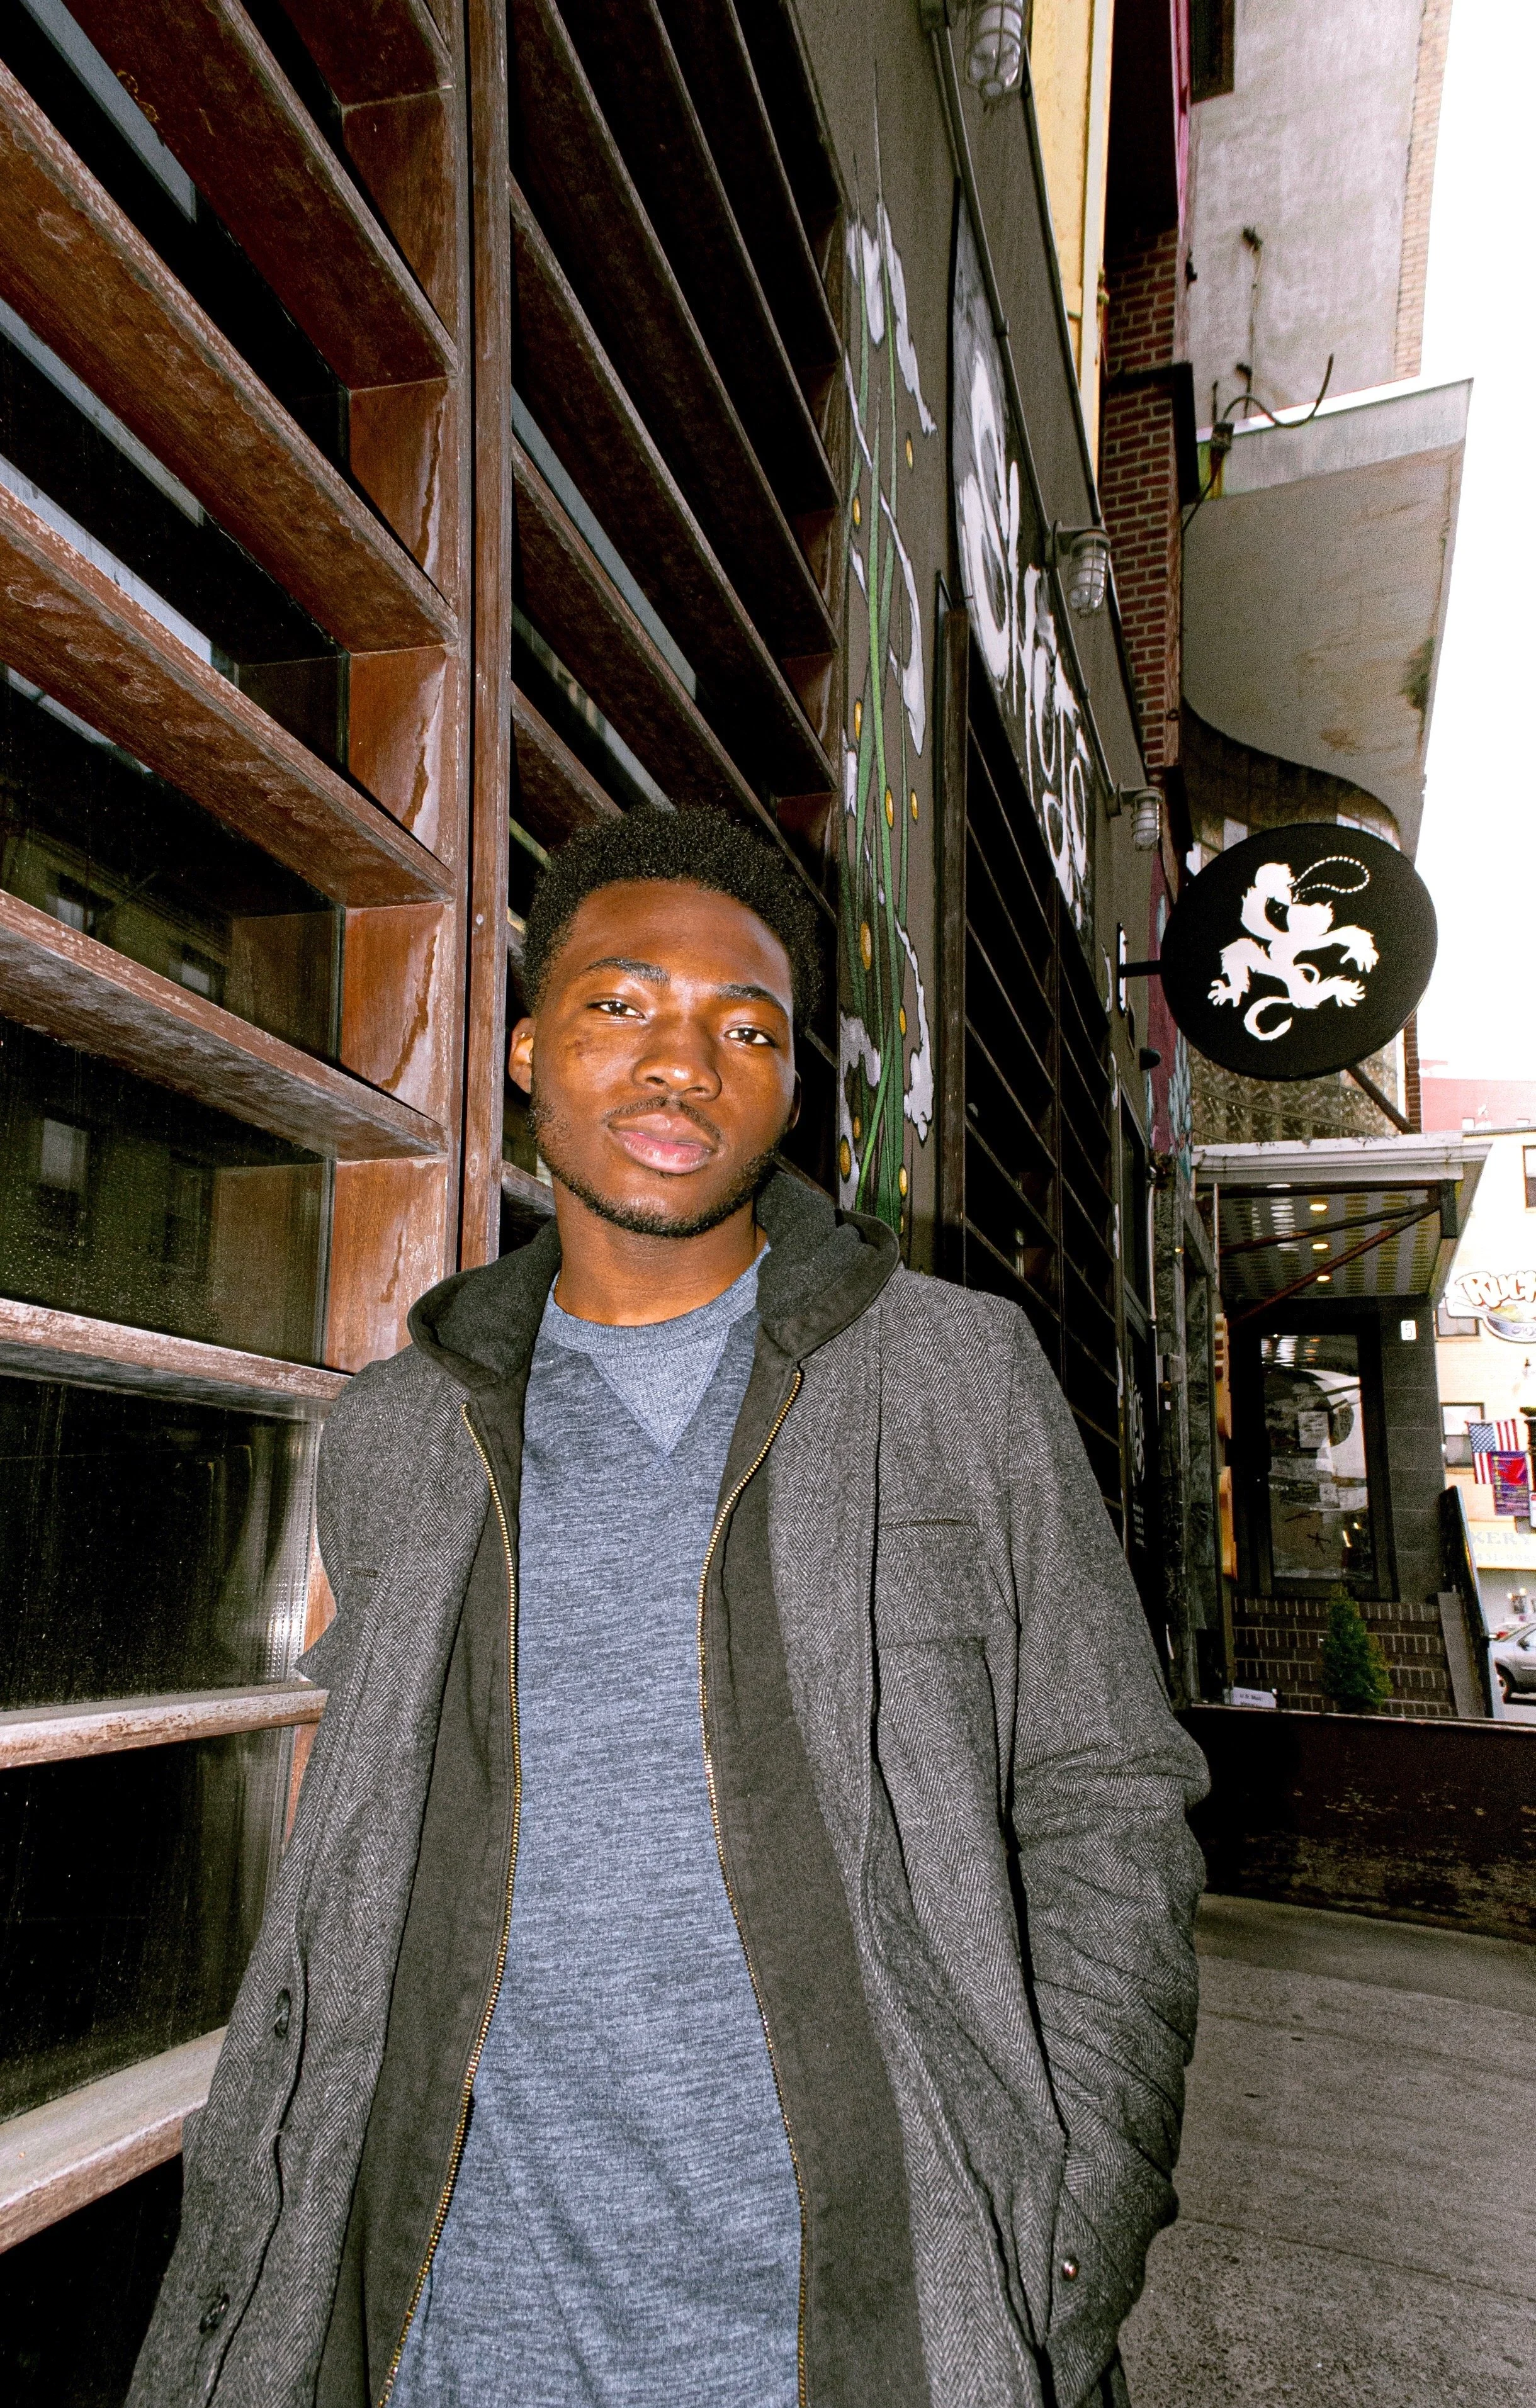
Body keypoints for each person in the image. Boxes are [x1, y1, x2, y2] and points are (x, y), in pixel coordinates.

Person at [132, 807, 1207, 2408]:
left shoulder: (953, 1375)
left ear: (787, 1085)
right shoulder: (398, 1430)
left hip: (873, 2315)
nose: (680, 1063)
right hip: (448, 2320)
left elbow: (1105, 1798)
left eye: (743, 1028)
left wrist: (1071, 2221)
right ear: (523, 1048)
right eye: (621, 1003)